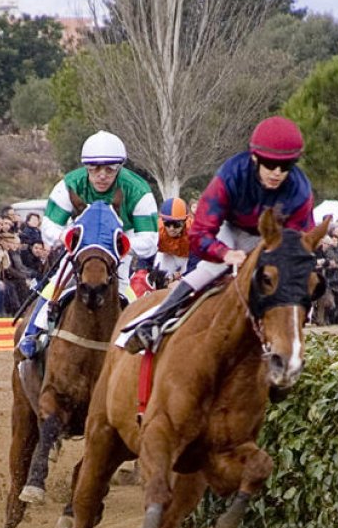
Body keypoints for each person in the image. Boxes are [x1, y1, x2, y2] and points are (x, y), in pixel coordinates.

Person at [126, 115, 315, 351]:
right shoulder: (231, 175)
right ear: (255, 158)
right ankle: (154, 322)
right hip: (231, 229)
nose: (277, 173)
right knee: (209, 269)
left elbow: (300, 241)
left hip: (272, 238)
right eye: (270, 164)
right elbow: (199, 233)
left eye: (285, 167)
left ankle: (293, 339)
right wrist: (224, 254)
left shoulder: (300, 190)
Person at [16, 131, 159, 358]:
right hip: (81, 245)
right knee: (57, 282)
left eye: (110, 169)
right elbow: (49, 228)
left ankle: (140, 343)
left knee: (126, 290)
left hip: (117, 248)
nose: (102, 175)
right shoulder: (69, 185)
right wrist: (71, 239)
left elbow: (150, 240)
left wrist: (119, 245)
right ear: (86, 167)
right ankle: (31, 334)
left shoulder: (138, 190)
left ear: (119, 167)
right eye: (94, 169)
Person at [153, 197, 191, 282]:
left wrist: (182, 276)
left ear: (185, 221)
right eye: (168, 223)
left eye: (176, 224)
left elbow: (196, 261)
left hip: (187, 258)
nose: (171, 228)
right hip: (167, 255)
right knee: (159, 278)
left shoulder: (193, 231)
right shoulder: (157, 229)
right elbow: (147, 252)